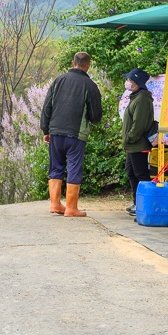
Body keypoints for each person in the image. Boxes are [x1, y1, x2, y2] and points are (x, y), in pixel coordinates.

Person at [40, 52, 103, 217]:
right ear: (88, 65)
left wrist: (46, 130)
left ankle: (55, 204)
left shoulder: (58, 80)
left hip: (55, 132)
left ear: (72, 62)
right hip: (76, 134)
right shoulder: (90, 85)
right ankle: (71, 208)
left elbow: (47, 107)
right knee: (74, 167)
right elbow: (96, 116)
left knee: (56, 166)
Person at [122, 68, 155, 216]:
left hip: (137, 144)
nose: (128, 83)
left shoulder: (142, 98)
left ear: (138, 83)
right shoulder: (136, 97)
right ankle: (137, 202)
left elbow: (139, 124)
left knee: (140, 174)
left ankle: (144, 205)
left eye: (131, 80)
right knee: (131, 172)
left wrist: (129, 137)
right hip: (132, 145)